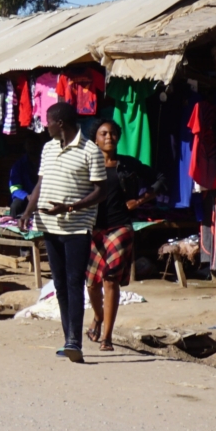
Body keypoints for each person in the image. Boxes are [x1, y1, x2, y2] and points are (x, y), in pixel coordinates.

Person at [21, 102, 107, 363]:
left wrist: (70, 206)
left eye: (47, 121)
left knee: (73, 282)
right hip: (49, 226)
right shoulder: (48, 148)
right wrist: (27, 211)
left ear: (60, 123)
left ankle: (75, 342)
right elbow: (40, 183)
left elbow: (100, 192)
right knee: (59, 283)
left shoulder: (90, 151)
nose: (44, 126)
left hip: (76, 227)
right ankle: (68, 338)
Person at [88, 118, 160, 352]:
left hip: (120, 227)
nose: (109, 137)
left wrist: (139, 200)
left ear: (118, 138)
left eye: (112, 133)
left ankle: (107, 337)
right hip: (94, 228)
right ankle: (98, 316)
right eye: (103, 134)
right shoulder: (87, 164)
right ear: (95, 139)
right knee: (91, 284)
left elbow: (160, 179)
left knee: (110, 279)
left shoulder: (127, 165)